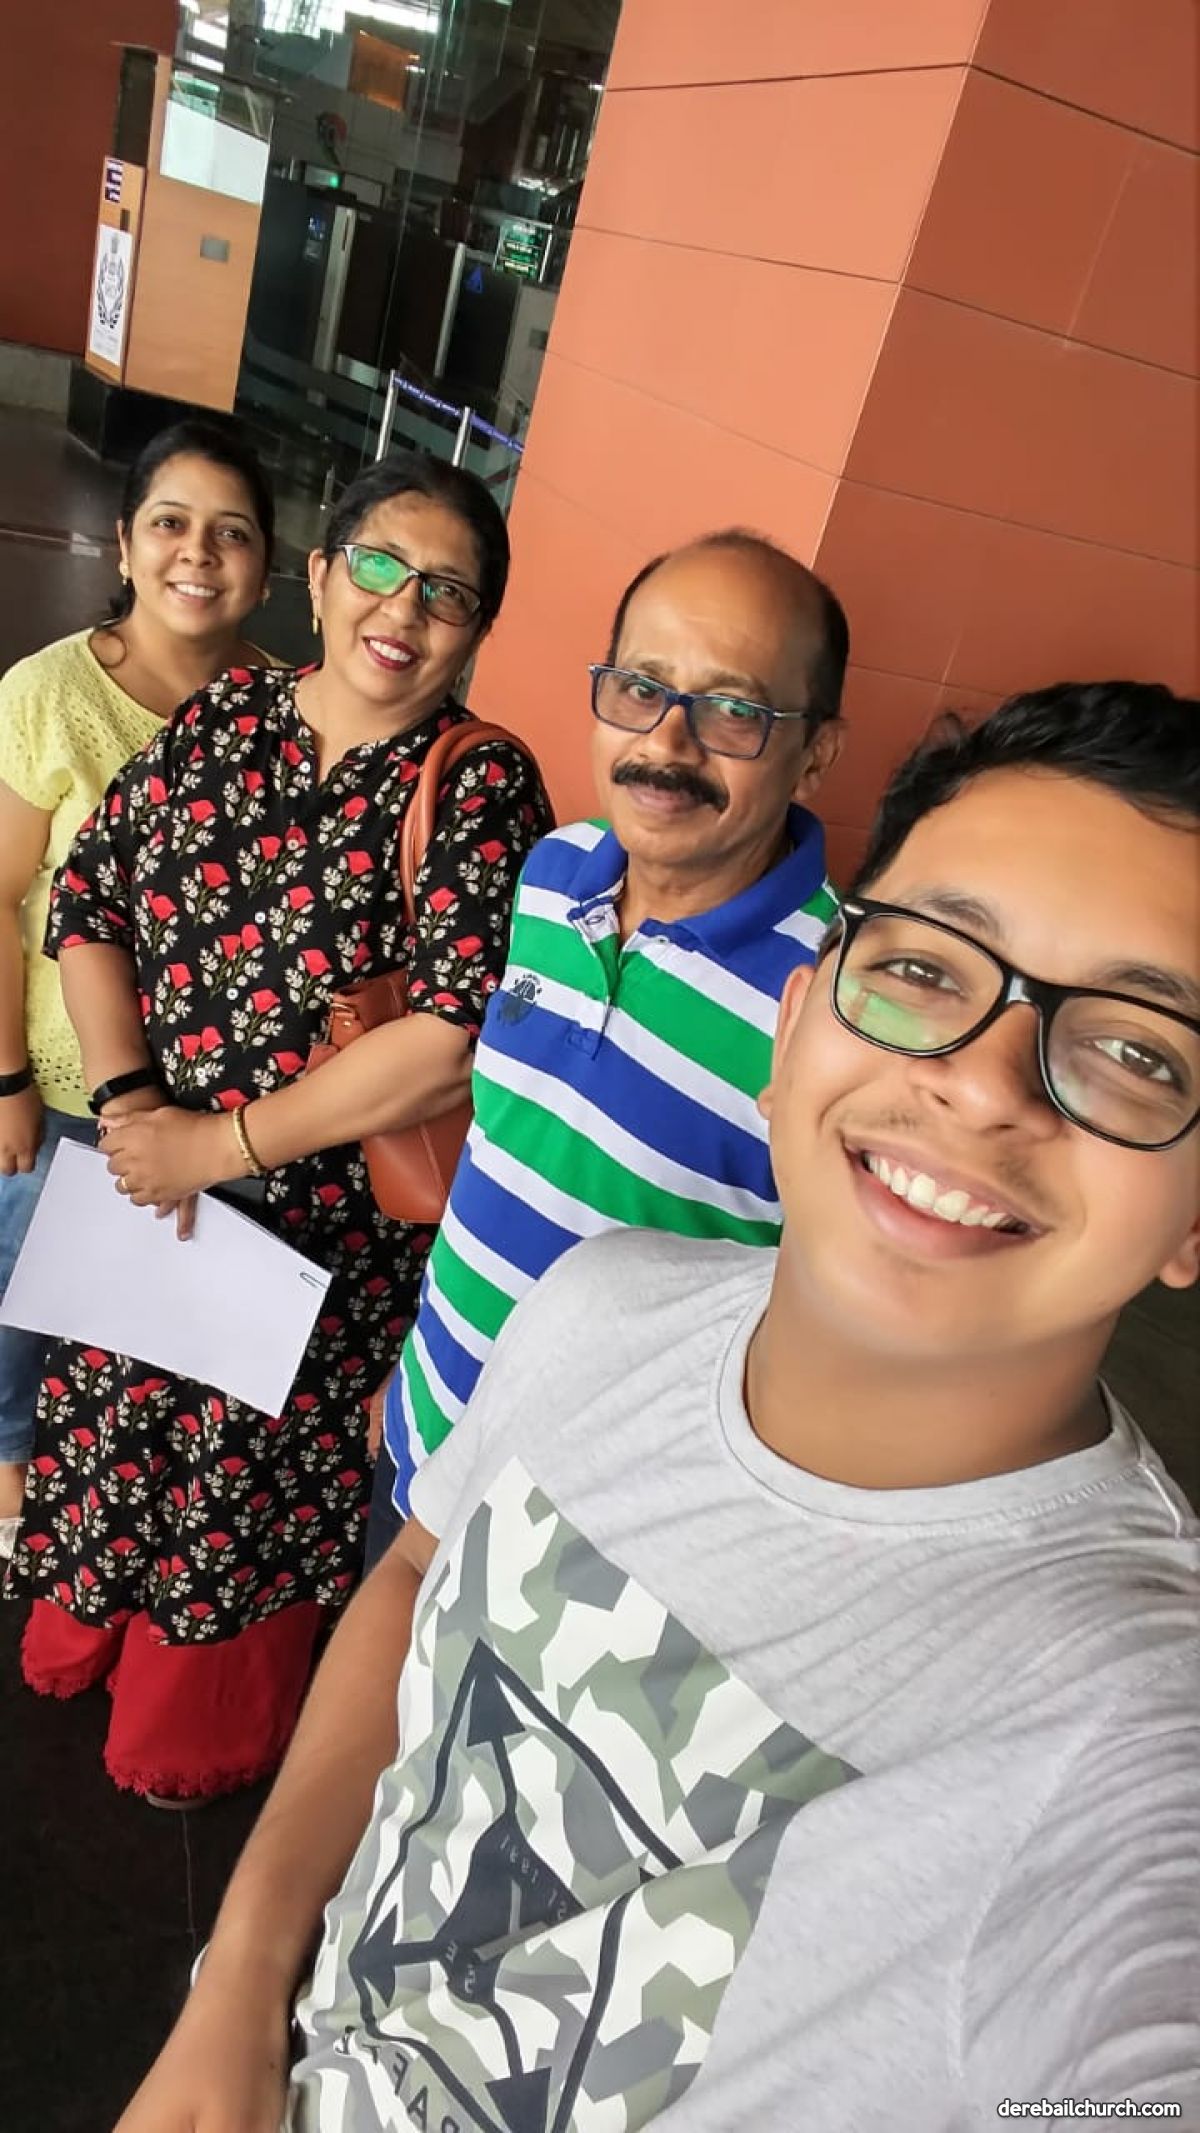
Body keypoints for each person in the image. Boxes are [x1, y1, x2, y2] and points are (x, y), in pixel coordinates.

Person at [114, 680, 1198, 2131]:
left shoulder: (1125, 1745)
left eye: (1139, 1051)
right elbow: (422, 1571)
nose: (986, 1085)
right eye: (927, 968)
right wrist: (240, 1984)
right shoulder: (600, 1299)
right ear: (797, 1028)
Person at [4, 451, 553, 1803]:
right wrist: (131, 1104)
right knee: (115, 1413)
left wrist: (221, 1145)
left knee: (236, 1490)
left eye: (447, 592)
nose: (403, 608)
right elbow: (90, 906)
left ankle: (193, 1730)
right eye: (379, 565)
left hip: (316, 1240)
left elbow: (450, 1035)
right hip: (148, 1182)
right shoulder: (226, 714)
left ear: (478, 627)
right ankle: (84, 1642)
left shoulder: (479, 785)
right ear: (320, 574)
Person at [371, 528, 848, 1555]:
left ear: (816, 754)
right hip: (422, 1447)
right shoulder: (555, 872)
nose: (668, 744)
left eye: (733, 710)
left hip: (581, 1546)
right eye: (640, 687)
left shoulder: (839, 1011)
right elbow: (509, 1154)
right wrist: (421, 1377)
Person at [0, 419, 276, 1562]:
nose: (197, 553)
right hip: (64, 1091)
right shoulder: (49, 695)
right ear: (123, 544)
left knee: (144, 1326)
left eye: (231, 533)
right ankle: (10, 1480)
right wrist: (7, 1080)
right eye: (170, 523)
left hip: (214, 1111)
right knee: (20, 1307)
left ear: (270, 568)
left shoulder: (286, 711)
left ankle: (103, 1504)